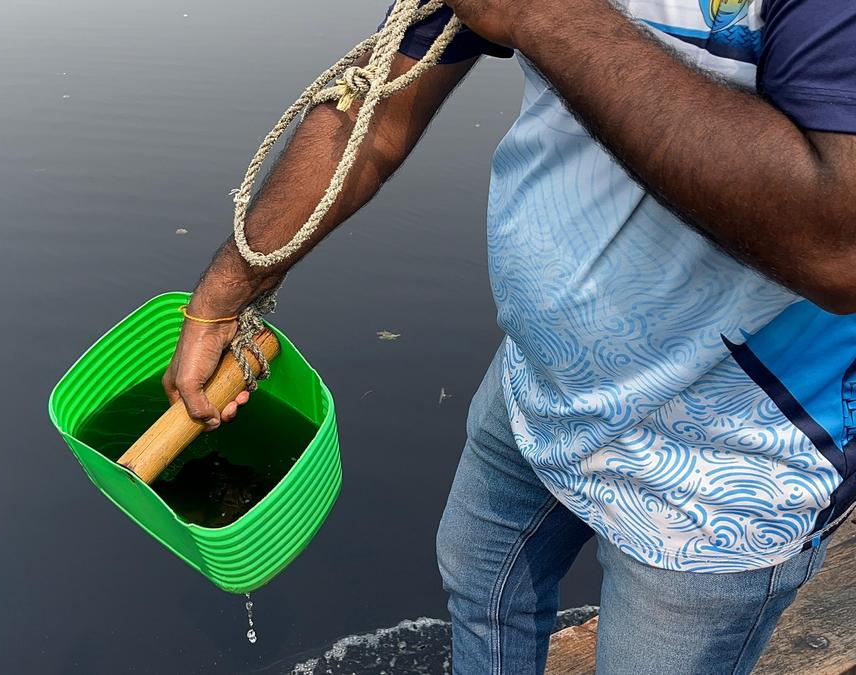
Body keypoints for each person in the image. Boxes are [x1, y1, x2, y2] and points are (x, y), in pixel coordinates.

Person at [161, 0, 856, 672]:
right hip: (542, 377)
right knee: (479, 581)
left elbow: (837, 246)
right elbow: (370, 113)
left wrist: (541, 14)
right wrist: (223, 298)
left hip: (732, 454)